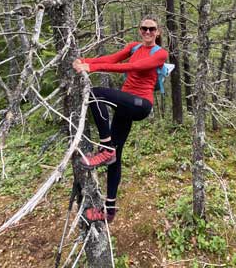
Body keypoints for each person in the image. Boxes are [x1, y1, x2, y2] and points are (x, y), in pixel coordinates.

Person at [72, 15, 168, 223]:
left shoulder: (160, 53)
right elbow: (112, 58)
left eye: (152, 29)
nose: (148, 32)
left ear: (158, 32)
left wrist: (92, 68)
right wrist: (85, 61)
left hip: (141, 105)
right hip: (125, 105)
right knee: (116, 155)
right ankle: (109, 210)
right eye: (144, 28)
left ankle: (106, 148)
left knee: (95, 93)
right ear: (140, 30)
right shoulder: (134, 47)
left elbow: (133, 67)